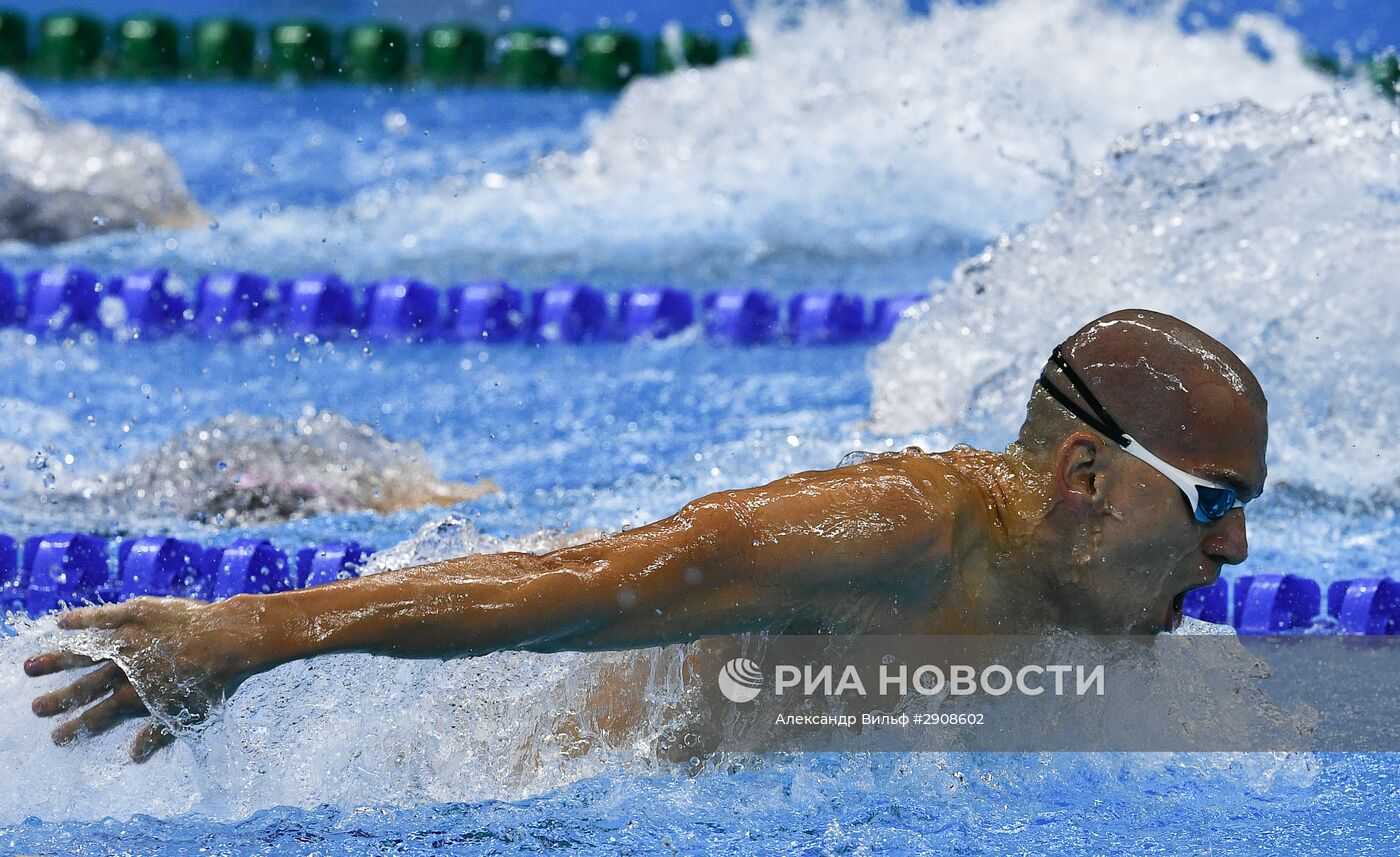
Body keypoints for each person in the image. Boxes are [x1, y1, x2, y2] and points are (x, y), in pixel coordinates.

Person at [24, 308, 1267, 762]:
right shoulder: (892, 529)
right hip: (523, 763)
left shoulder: (1095, 590)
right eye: (1213, 504)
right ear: (1086, 474)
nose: (1237, 554)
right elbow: (586, 582)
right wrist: (246, 627)